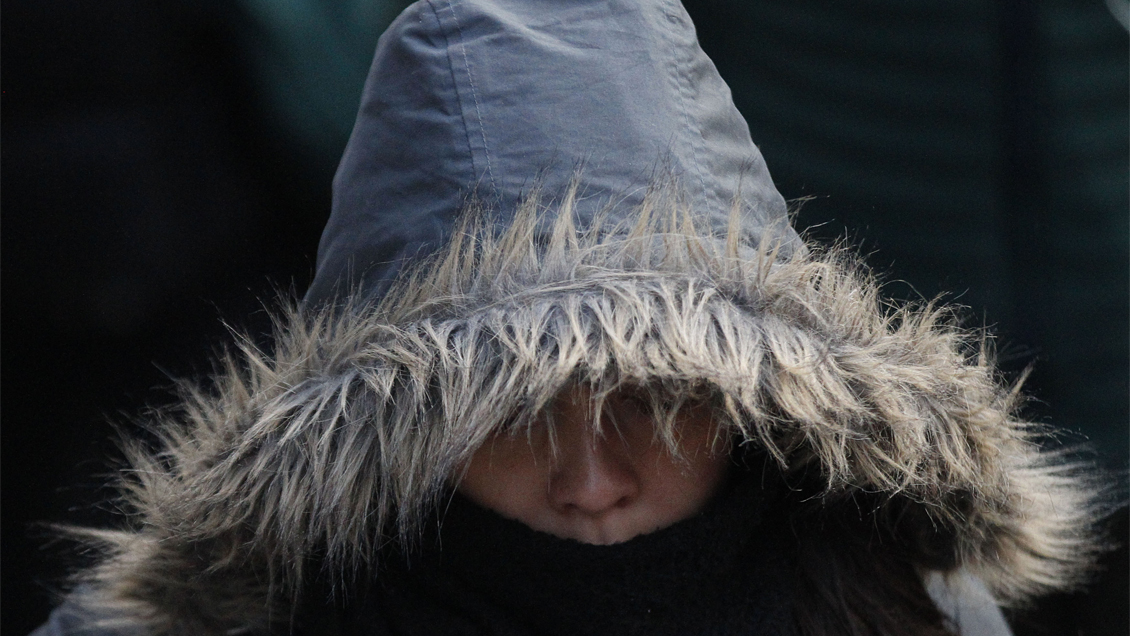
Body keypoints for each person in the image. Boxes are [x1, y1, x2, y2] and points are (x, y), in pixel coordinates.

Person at [33, 0, 1105, 634]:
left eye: (657, 399)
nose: (591, 484)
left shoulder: (912, 607)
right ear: (386, 426)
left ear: (763, 394)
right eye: (504, 414)